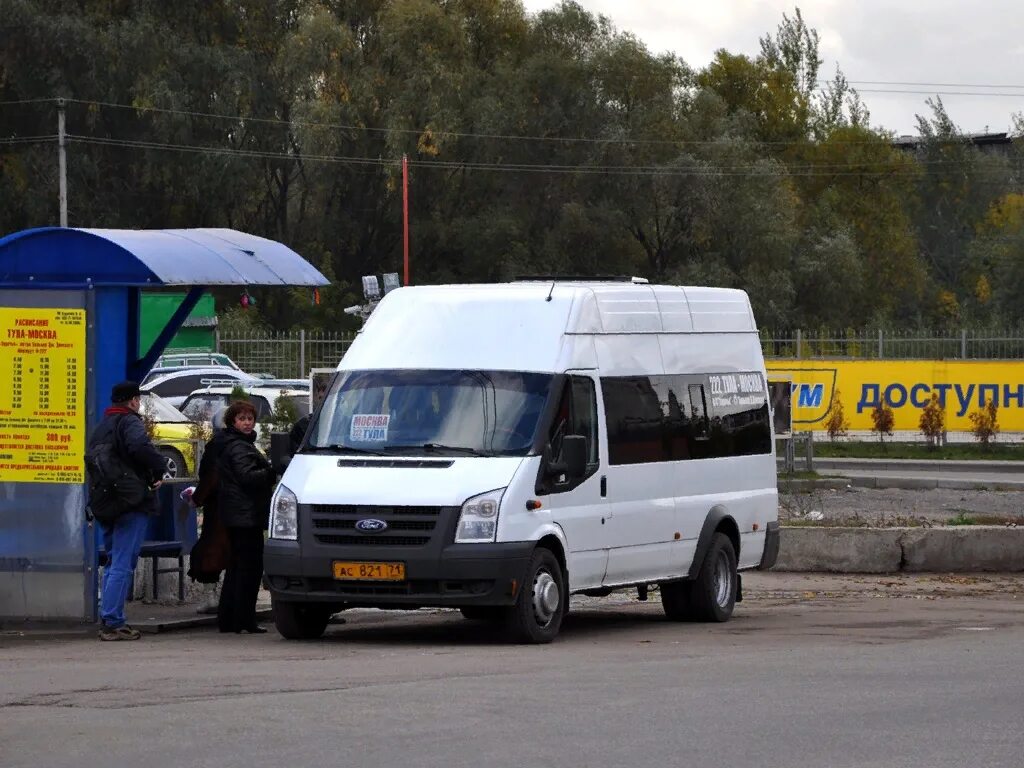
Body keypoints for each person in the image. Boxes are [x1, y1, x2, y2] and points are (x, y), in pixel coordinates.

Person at [91, 380, 167, 641]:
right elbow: (140, 447)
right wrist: (159, 468)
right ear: (133, 401)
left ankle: (108, 615)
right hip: (131, 501)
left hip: (106, 502)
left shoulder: (101, 427)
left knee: (113, 560)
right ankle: (113, 621)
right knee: (123, 561)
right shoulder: (130, 422)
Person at [216, 400, 276, 633]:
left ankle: (231, 619)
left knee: (237, 567)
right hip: (245, 516)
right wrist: (270, 471)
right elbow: (247, 476)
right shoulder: (239, 447)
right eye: (242, 419)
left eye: (250, 419)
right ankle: (244, 619)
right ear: (233, 421)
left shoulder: (234, 443)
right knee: (249, 569)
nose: (247, 423)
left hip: (238, 515)